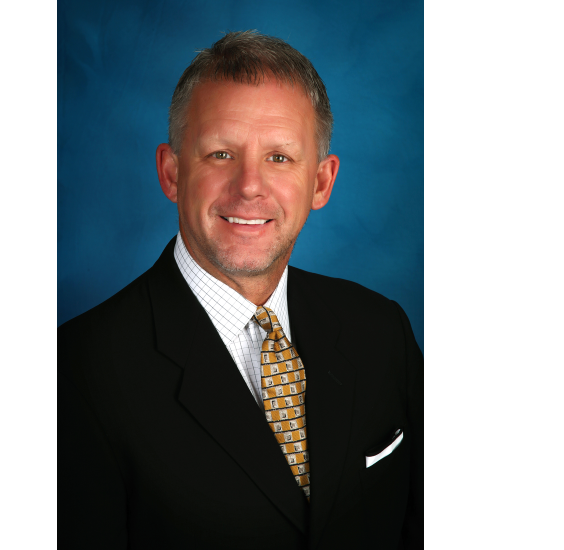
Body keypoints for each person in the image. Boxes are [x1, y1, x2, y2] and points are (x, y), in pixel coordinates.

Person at [59, 30, 423, 549]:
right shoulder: (75, 374)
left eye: (280, 158)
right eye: (221, 153)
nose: (250, 185)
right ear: (171, 172)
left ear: (321, 182)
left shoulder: (382, 330)